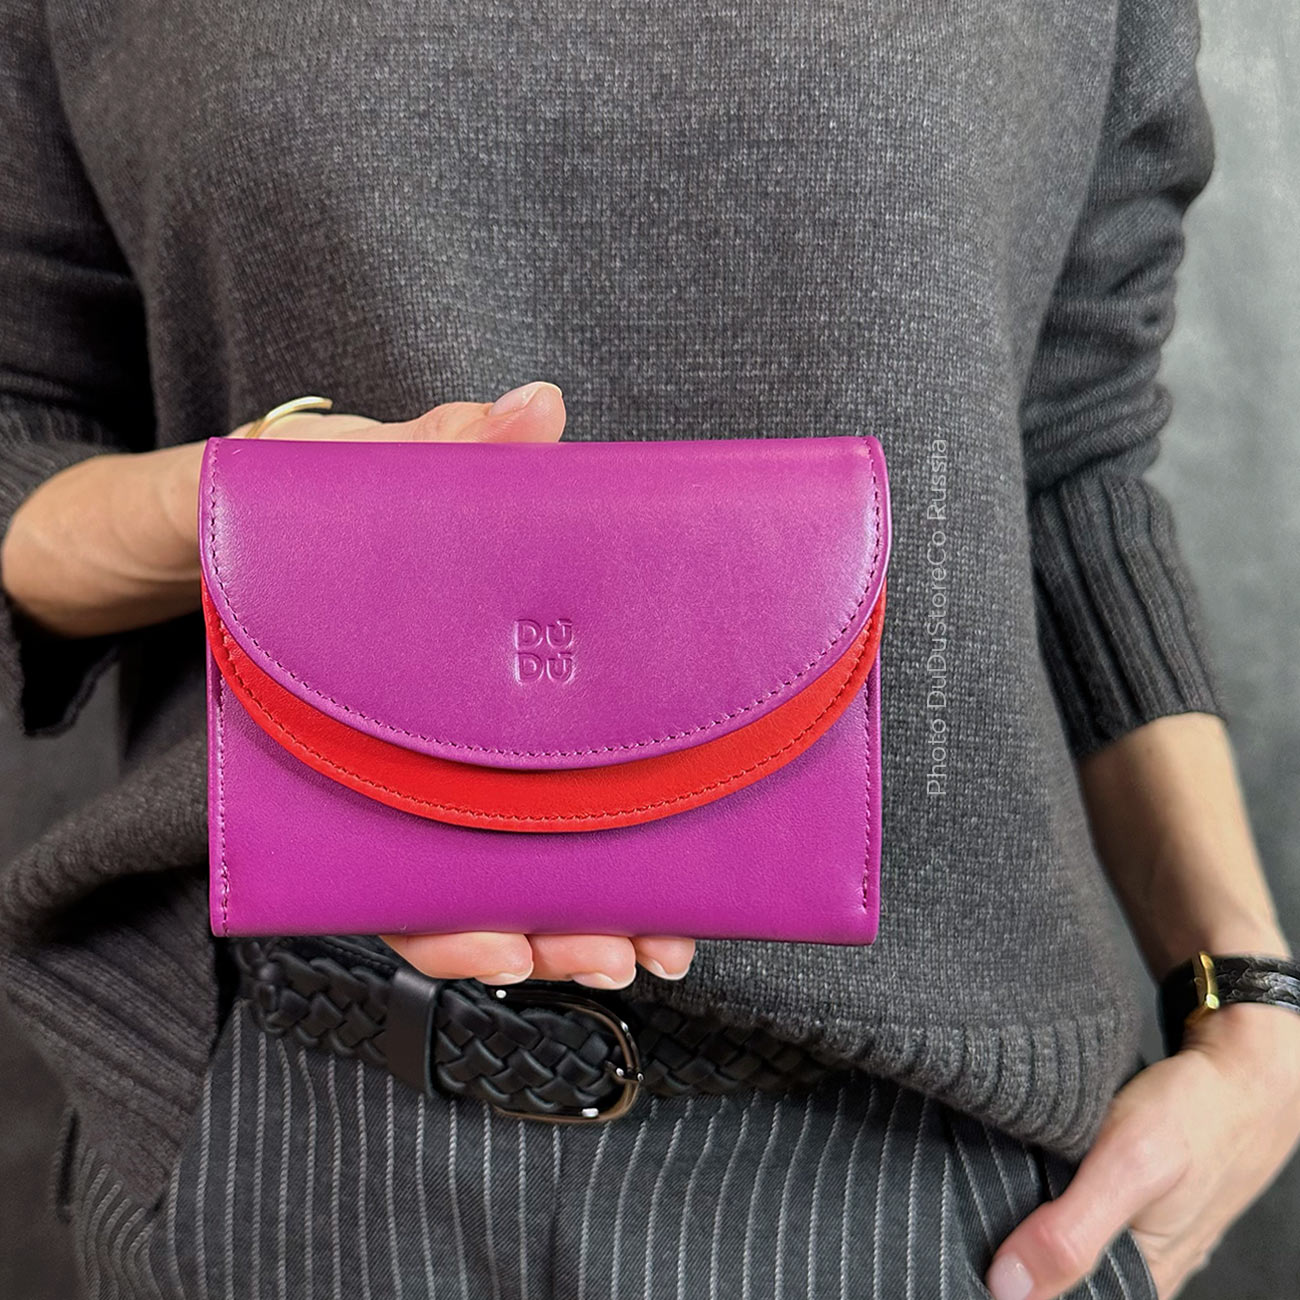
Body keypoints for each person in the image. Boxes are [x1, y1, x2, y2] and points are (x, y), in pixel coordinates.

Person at [1, 0, 1297, 1296]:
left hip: (935, 1182)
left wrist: (1246, 992)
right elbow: (26, 423)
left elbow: (1073, 451)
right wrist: (237, 512)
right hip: (287, 1145)